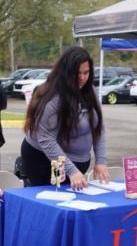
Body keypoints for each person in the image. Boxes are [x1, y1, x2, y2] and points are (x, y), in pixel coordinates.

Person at [21, 46, 108, 190]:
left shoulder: (90, 91)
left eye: (86, 73)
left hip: (76, 164)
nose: (82, 78)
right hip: (43, 160)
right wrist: (71, 171)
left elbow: (99, 128)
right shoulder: (53, 99)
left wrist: (101, 161)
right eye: (77, 73)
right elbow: (46, 139)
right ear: (66, 73)